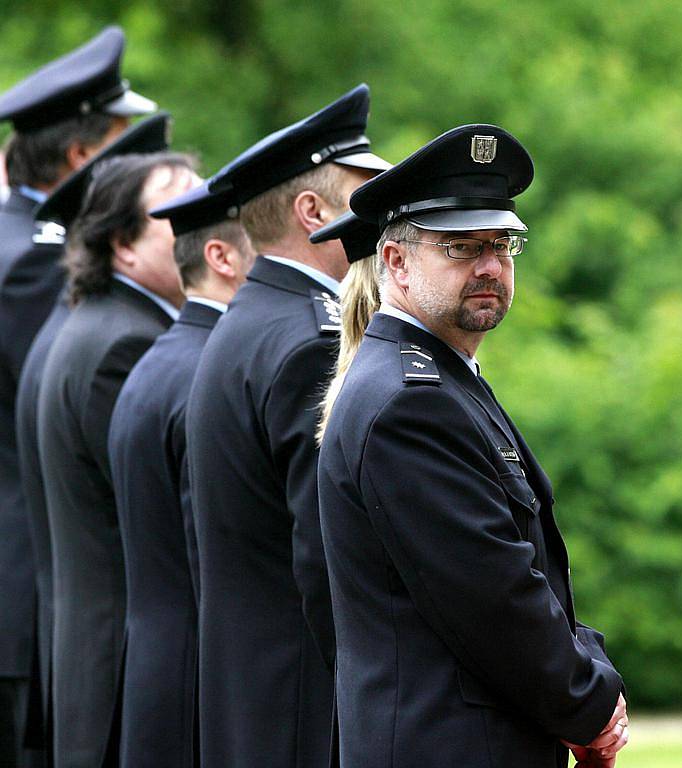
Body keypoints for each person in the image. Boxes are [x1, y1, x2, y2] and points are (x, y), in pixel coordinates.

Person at [316, 125, 629, 768]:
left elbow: (527, 568)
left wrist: (589, 668)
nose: (489, 266)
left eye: (503, 244)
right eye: (461, 247)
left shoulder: (440, 380)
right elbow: (495, 597)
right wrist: (590, 702)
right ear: (397, 261)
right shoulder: (412, 401)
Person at [186, 83, 389, 767]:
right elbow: (323, 552)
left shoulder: (247, 320)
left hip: (252, 686)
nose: (384, 214)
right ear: (312, 211)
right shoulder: (308, 340)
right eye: (365, 193)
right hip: (304, 695)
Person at [0, 28, 155, 766]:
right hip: (27, 588)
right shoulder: (35, 261)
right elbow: (62, 416)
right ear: (79, 160)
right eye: (124, 147)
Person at [37, 152, 198, 768]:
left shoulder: (96, 325)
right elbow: (158, 512)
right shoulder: (127, 344)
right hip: (123, 665)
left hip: (102, 656)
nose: (204, 225)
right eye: (178, 213)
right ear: (123, 246)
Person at [107, 181, 255, 768]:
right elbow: (212, 555)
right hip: (199, 676)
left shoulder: (158, 358)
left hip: (151, 664)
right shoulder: (209, 374)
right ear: (220, 258)